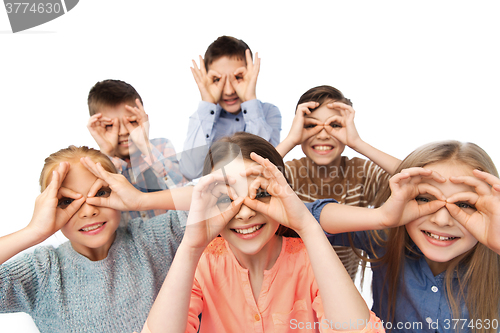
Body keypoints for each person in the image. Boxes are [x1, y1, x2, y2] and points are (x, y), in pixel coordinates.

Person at [139, 132, 384, 333]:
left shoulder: (309, 261)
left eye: (261, 193)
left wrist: (308, 226)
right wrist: (190, 247)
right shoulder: (203, 265)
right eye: (226, 197)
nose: (244, 213)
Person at [307, 140, 500, 333]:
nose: (442, 220)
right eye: (424, 198)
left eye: (464, 204)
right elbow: (299, 218)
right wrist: (380, 217)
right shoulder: (386, 236)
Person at [0, 146, 187, 333]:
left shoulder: (153, 239)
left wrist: (142, 200)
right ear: (49, 208)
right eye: (67, 201)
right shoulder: (43, 272)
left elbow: (215, 200)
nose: (89, 211)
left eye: (100, 193)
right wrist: (33, 231)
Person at [276, 85, 401, 281]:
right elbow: (246, 181)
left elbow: (417, 177)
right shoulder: (290, 173)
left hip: (343, 288)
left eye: (334, 125)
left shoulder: (360, 172)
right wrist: (291, 140)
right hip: (293, 287)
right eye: (311, 125)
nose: (323, 134)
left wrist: (357, 142)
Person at [180, 36, 282, 180]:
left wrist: (249, 99)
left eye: (238, 77)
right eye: (217, 80)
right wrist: (207, 102)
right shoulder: (202, 117)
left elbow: (264, 167)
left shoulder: (269, 112)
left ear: (251, 73)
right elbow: (191, 172)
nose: (228, 91)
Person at [87, 79, 186, 221]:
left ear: (143, 120)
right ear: (96, 128)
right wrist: (106, 153)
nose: (122, 132)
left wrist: (145, 146)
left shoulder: (161, 147)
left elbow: (187, 192)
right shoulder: (93, 165)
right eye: (110, 125)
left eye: (132, 122)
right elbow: (98, 212)